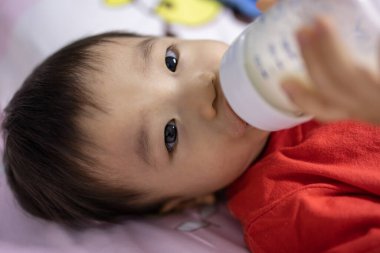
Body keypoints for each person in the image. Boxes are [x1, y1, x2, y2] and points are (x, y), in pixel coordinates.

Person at [1, 14, 380, 252]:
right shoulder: (288, 205)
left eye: (171, 61)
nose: (203, 88)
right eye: (169, 135)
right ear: (185, 201)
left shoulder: (298, 41)